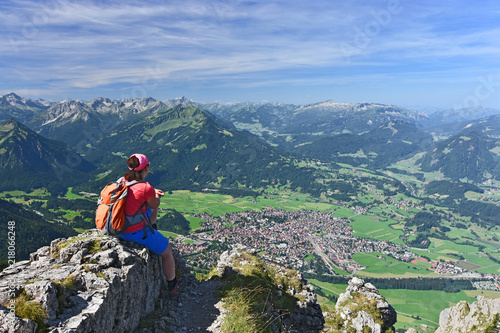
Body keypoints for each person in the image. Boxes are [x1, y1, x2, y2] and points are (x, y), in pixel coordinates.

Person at [117, 153, 178, 294]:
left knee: (148, 209)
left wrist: (151, 192)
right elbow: (154, 204)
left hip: (118, 227)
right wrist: (156, 195)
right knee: (168, 252)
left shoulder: (121, 180)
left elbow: (134, 194)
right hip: (133, 232)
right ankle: (172, 286)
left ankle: (151, 227)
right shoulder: (146, 187)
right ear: (146, 168)